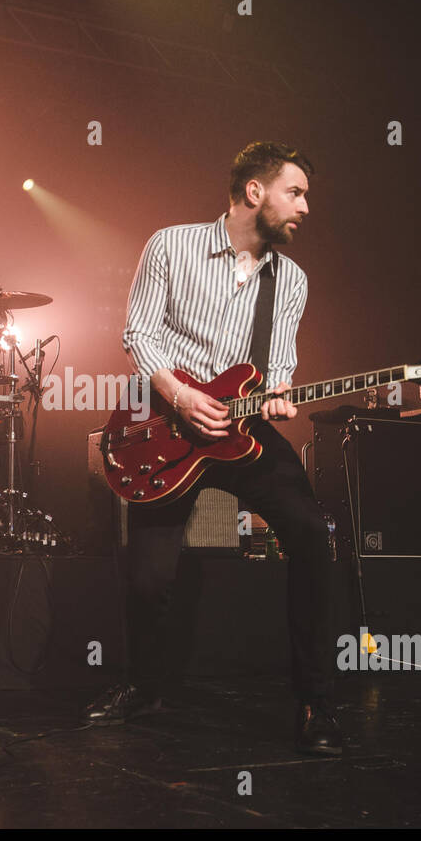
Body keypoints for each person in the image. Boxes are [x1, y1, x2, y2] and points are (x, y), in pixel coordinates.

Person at [86, 141, 346, 755]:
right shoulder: (170, 245)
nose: (306, 206)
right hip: (164, 427)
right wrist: (178, 395)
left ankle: (315, 702)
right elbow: (139, 331)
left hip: (243, 431)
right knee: (150, 579)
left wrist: (280, 392)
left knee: (311, 534)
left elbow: (278, 361)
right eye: (296, 192)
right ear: (255, 192)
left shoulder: (292, 279)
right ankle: (144, 687)